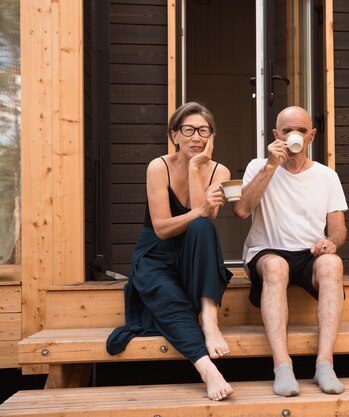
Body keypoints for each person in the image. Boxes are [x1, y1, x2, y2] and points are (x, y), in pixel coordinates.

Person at [106, 102, 234, 401]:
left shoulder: (220, 171)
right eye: (188, 130)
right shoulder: (158, 167)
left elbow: (206, 218)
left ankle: (209, 320)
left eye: (203, 130)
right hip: (155, 254)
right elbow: (162, 228)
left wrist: (195, 168)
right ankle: (207, 369)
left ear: (211, 137)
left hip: (192, 257)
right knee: (168, 296)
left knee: (202, 228)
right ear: (174, 134)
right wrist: (199, 203)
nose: (196, 137)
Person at [233, 106, 348, 396]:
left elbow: (338, 227)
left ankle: (324, 364)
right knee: (276, 267)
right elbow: (242, 209)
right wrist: (271, 166)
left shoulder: (326, 176)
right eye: (286, 131)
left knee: (332, 264)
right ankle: (282, 366)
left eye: (300, 130)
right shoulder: (257, 166)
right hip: (268, 250)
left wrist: (331, 242)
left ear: (311, 135)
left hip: (309, 253)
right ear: (276, 135)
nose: (293, 135)